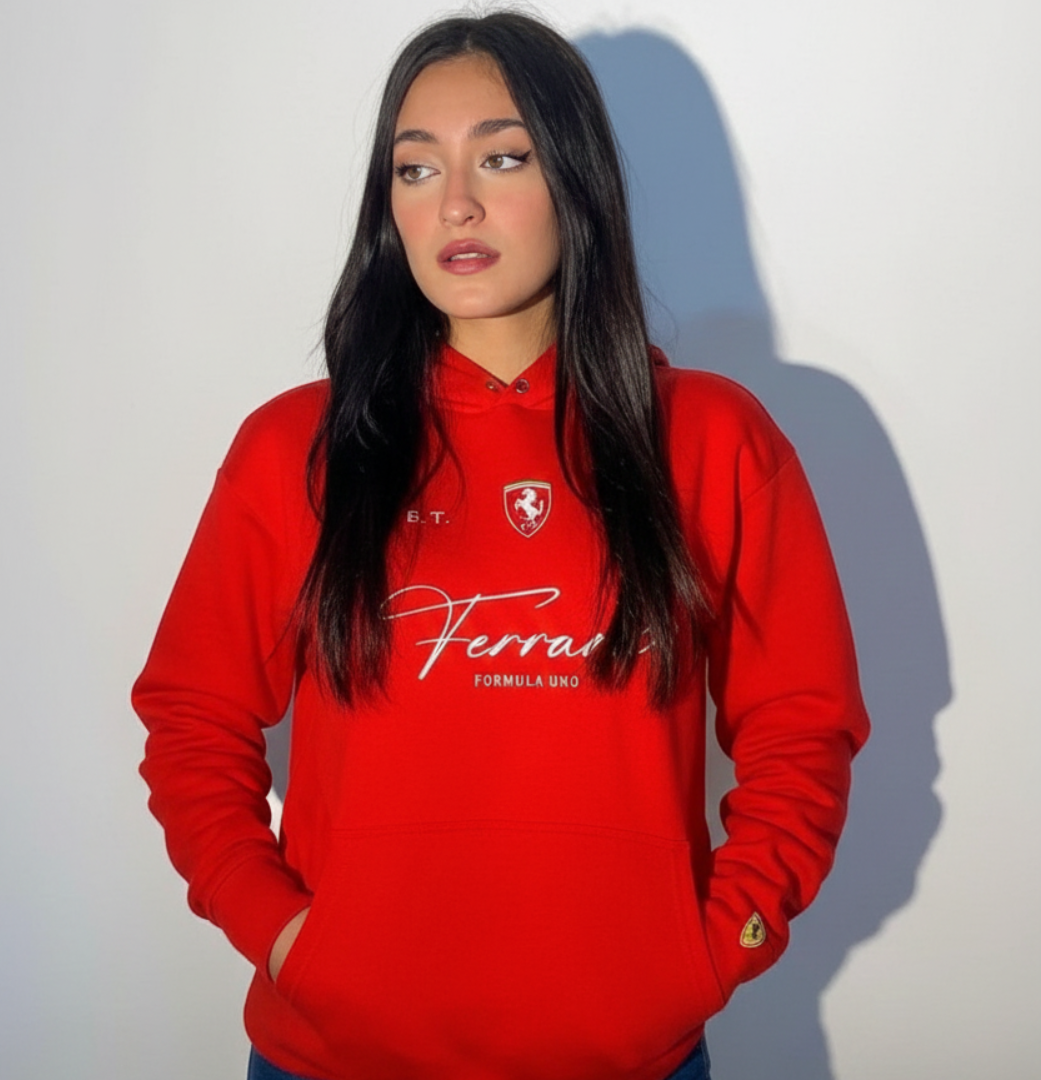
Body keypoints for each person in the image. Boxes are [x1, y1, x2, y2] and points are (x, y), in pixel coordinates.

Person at [133, 11, 870, 1080]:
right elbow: (191, 721)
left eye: (502, 157)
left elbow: (803, 725)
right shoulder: (298, 448)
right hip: (332, 1056)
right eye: (416, 168)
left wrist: (717, 946)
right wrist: (287, 939)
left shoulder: (711, 439)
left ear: (575, 178)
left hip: (630, 1056)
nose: (456, 204)